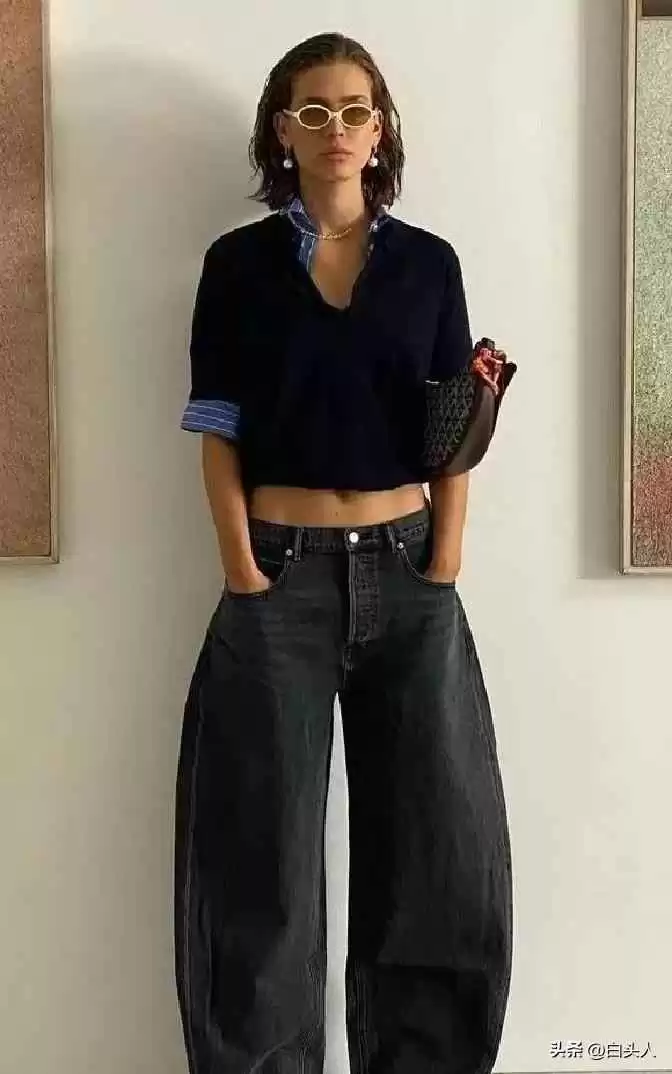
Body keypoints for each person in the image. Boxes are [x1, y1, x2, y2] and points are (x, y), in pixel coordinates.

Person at [173, 31, 513, 1074]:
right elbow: (217, 428)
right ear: (283, 130)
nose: (335, 128)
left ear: (380, 128)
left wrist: (445, 559)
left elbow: (453, 430)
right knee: (260, 856)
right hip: (277, 579)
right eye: (313, 110)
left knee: (434, 846)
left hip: (410, 575)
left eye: (354, 109)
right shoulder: (235, 268)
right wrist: (240, 565)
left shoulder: (429, 266)